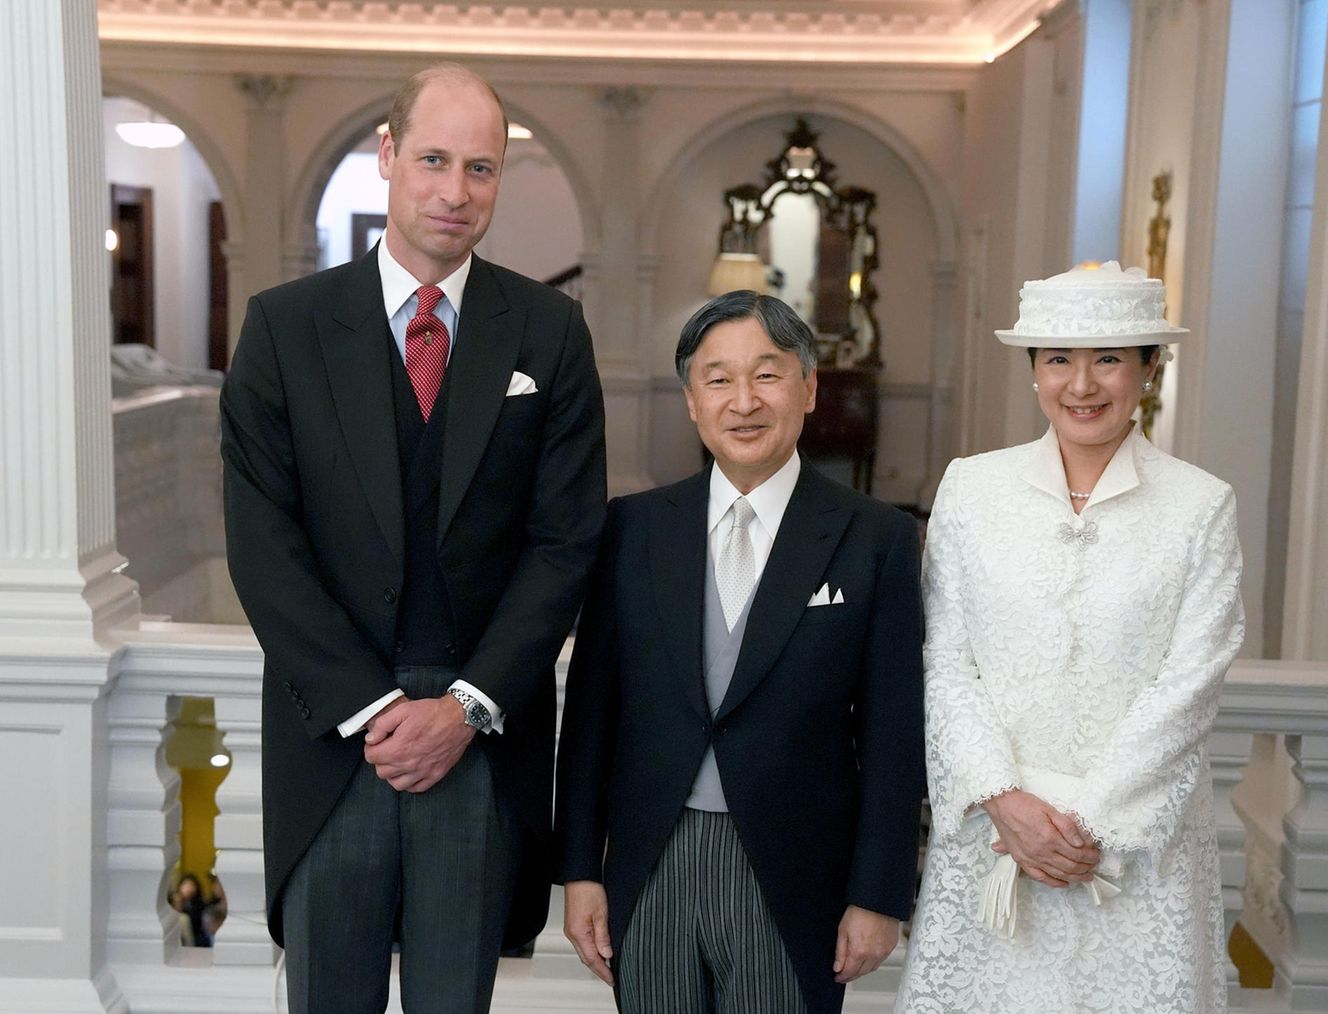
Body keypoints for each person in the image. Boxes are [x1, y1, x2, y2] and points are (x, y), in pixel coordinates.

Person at [220, 62, 606, 1013]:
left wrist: (466, 708)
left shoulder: (550, 333)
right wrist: (370, 709)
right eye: (434, 159)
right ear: (388, 156)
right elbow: (261, 543)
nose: (454, 191)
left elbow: (565, 543)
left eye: (480, 169)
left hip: (479, 745)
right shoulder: (283, 328)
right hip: (336, 742)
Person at [554, 291, 925, 1014]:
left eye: (768, 374)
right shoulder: (633, 529)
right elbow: (593, 714)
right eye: (718, 379)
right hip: (651, 857)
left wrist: (879, 893)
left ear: (809, 387)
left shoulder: (874, 537)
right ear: (692, 400)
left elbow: (893, 730)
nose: (744, 401)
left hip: (796, 869)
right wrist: (579, 870)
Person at [896, 261, 1244, 1013]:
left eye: (1110, 359)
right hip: (996, 839)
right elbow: (945, 659)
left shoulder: (1199, 506)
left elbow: (1191, 682)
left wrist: (1083, 826)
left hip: (1130, 851)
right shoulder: (971, 489)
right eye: (1058, 359)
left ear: (1150, 369)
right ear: (1033, 371)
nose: (1081, 385)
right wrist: (1005, 802)